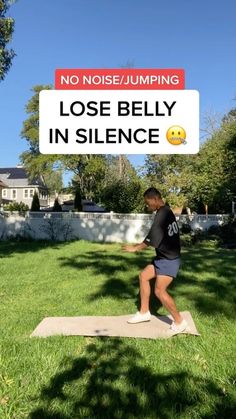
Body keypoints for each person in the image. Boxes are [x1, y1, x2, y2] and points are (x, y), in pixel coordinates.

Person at [123, 187, 187, 333]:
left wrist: (134, 248)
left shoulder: (161, 215)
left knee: (159, 291)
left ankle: (179, 322)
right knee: (144, 276)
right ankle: (144, 312)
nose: (147, 206)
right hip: (163, 257)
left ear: (154, 199)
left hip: (169, 260)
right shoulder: (166, 211)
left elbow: (150, 240)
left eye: (147, 203)